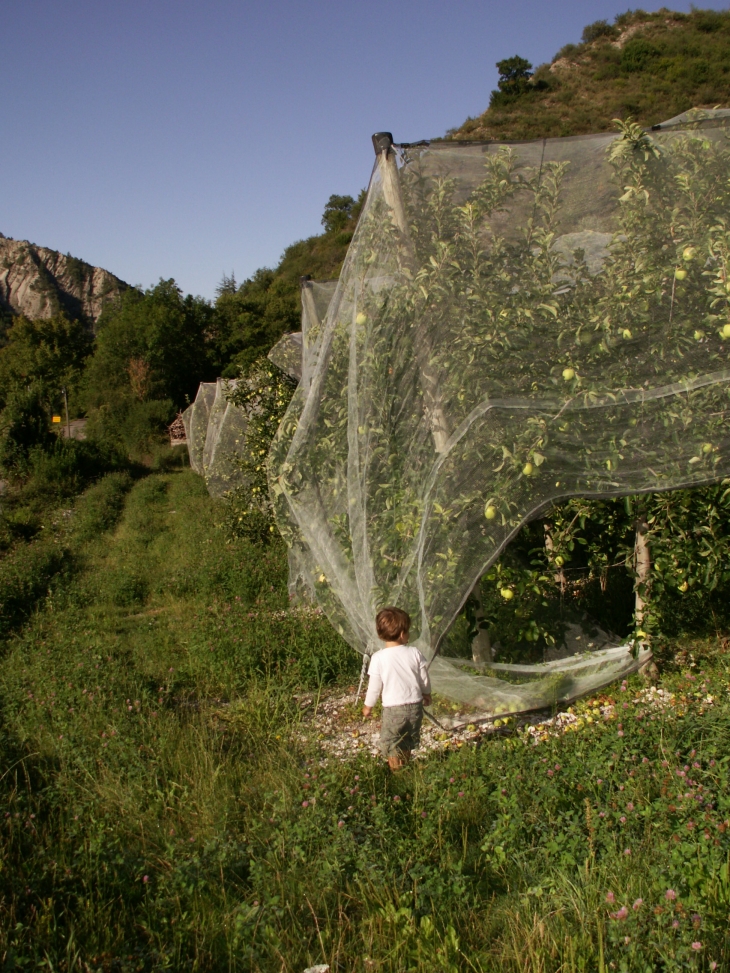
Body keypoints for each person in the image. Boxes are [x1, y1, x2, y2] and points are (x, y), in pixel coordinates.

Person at [362, 606, 432, 771]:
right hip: (415, 706)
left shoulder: (378, 658)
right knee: (407, 739)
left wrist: (368, 706)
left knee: (392, 741)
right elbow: (424, 678)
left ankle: (397, 772)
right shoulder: (414, 652)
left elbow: (374, 687)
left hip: (393, 709)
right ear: (402, 634)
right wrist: (426, 693)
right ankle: (405, 766)